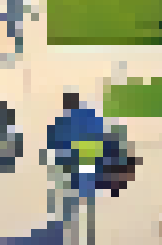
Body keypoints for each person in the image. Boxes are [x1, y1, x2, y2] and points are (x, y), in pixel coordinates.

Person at [45, 92, 109, 245]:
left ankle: (76, 237)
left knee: (71, 210)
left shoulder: (66, 121)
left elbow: (55, 142)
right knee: (84, 209)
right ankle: (83, 238)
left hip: (73, 169)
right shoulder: (88, 117)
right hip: (82, 168)